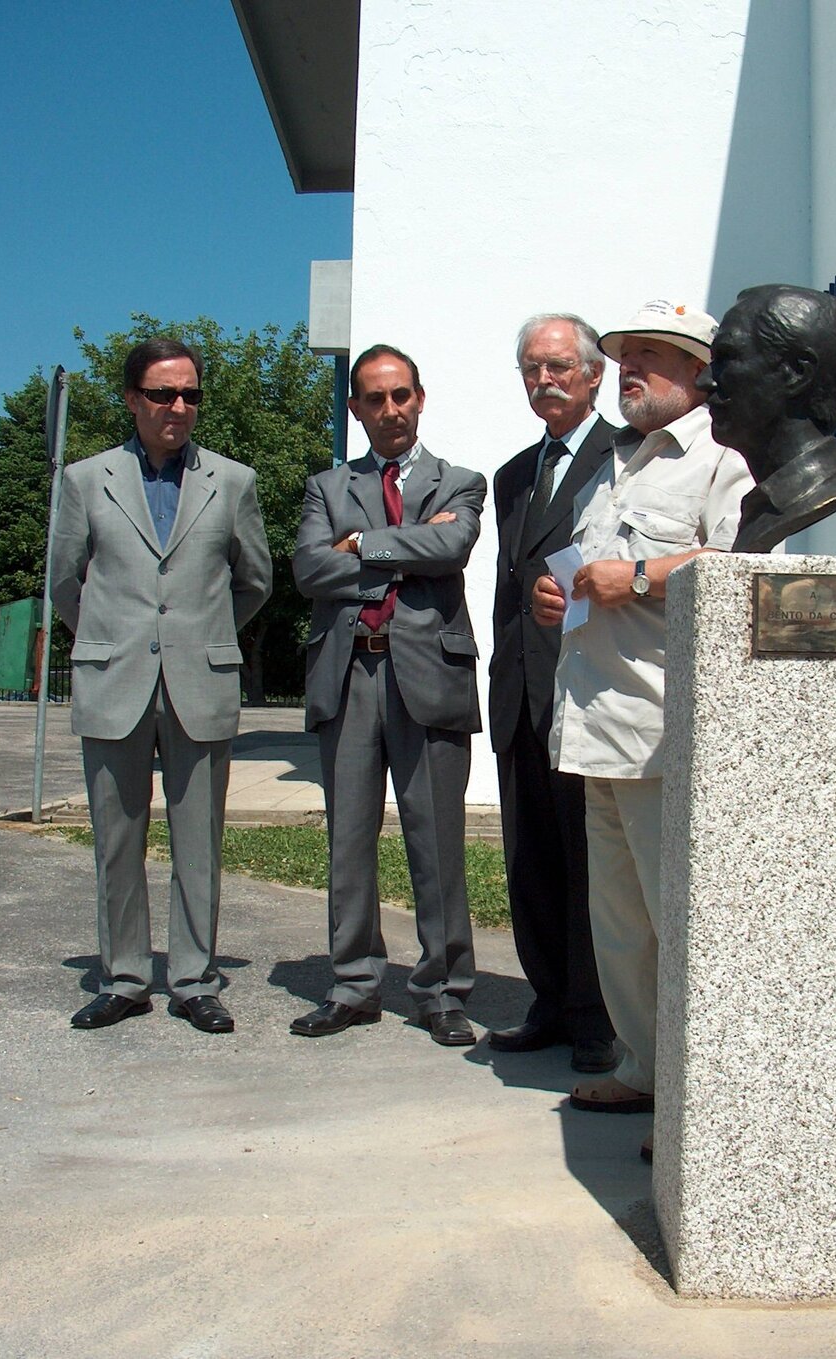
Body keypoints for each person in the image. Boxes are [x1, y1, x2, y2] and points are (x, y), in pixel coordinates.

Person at [532, 300, 753, 1158]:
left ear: (698, 374)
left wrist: (643, 574)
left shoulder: (719, 463)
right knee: (620, 922)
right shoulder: (611, 466)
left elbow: (741, 566)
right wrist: (560, 591)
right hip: (596, 725)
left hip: (667, 732)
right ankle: (645, 1069)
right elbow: (590, 567)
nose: (631, 369)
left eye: (653, 356)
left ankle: (700, 1104)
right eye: (624, 356)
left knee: (678, 921)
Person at [52, 337, 272, 1033]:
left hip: (198, 683)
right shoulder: (86, 481)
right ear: (131, 398)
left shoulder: (232, 481)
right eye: (162, 393)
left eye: (190, 395)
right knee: (116, 840)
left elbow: (255, 580)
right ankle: (123, 977)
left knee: (198, 840)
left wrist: (203, 634)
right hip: (113, 680)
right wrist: (109, 637)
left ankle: (194, 978)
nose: (178, 407)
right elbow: (64, 580)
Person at [291, 345, 486, 1047]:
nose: (390, 409)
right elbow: (309, 570)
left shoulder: (461, 481)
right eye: (374, 399)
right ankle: (353, 985)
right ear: (356, 408)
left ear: (420, 397)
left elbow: (452, 549)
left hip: (429, 677)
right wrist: (403, 548)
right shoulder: (325, 485)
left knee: (437, 842)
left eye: (401, 394)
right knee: (348, 840)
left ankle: (442, 989)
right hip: (349, 676)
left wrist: (360, 545)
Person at [487, 314, 617, 1073]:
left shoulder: (623, 458)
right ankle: (548, 997)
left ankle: (597, 1013)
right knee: (529, 853)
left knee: (589, 855)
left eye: (561, 366)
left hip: (590, 689)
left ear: (594, 374)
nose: (546, 379)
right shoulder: (513, 475)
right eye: (532, 367)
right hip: (520, 693)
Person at [700, 283, 836, 551]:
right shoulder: (761, 507)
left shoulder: (807, 496)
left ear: (795, 373)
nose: (704, 381)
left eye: (727, 358)